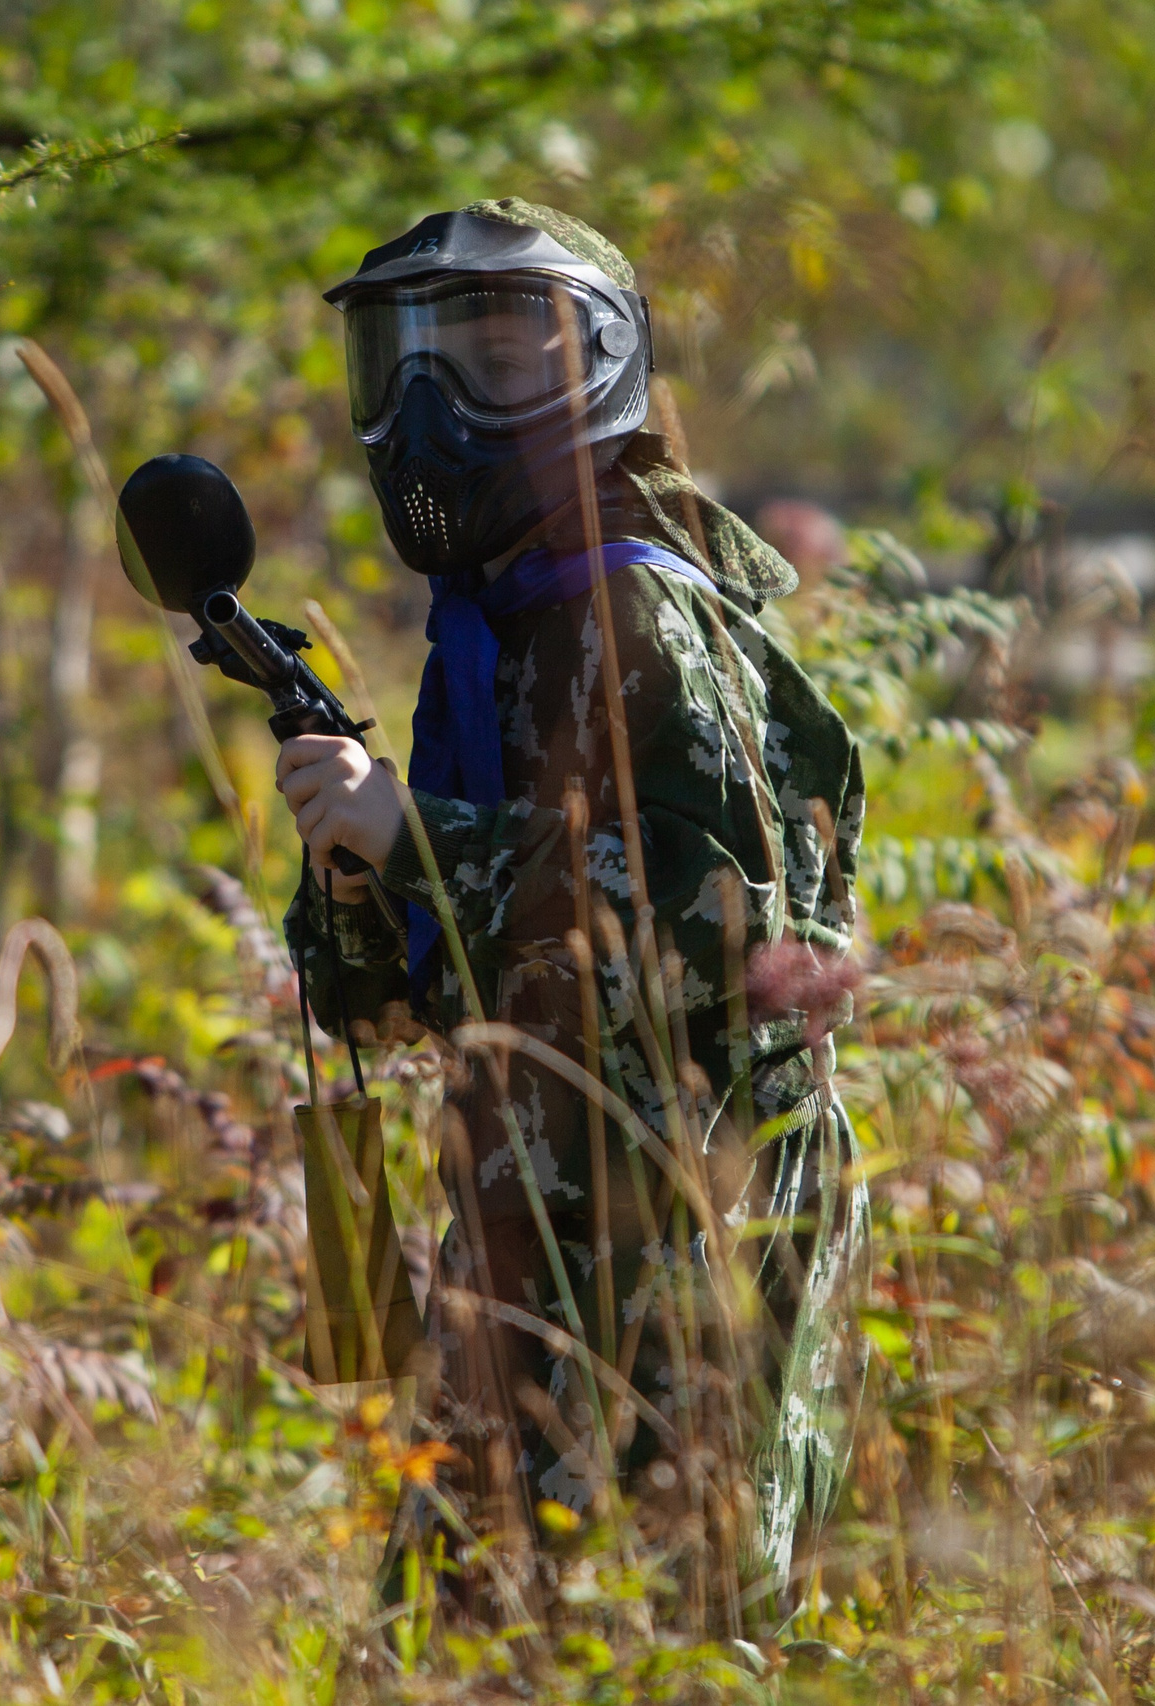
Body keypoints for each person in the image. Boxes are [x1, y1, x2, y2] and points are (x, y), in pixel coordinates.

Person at [275, 198, 871, 1634]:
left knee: (661, 1640)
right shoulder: (500, 630)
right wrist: (356, 866)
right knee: (450, 1650)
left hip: (686, 1249)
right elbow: (407, 998)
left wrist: (419, 837)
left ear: (596, 372)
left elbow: (711, 946)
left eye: (495, 354)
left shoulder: (643, 619)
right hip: (528, 1250)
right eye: (404, 361)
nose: (433, 405)